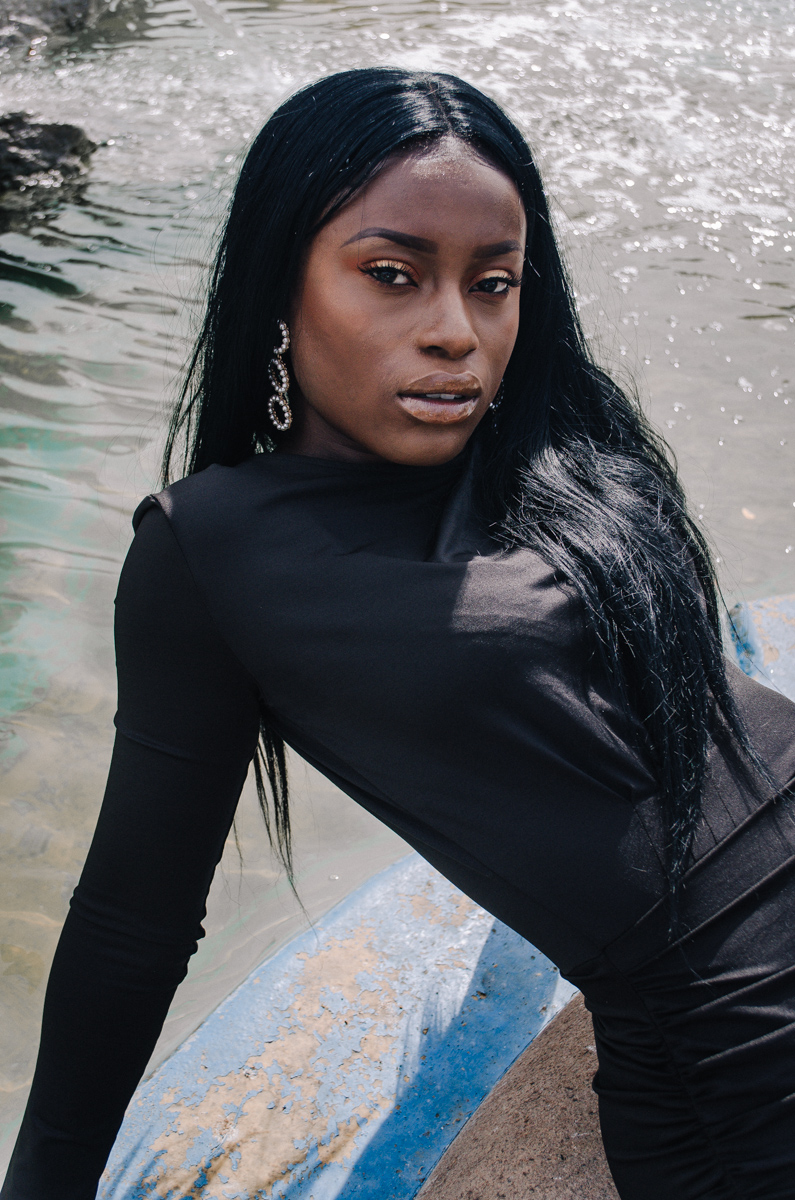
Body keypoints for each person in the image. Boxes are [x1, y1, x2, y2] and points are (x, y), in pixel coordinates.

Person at [3, 67, 795, 1200]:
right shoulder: (212, 548)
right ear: (282, 282)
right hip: (724, 1042)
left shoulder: (551, 455)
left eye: (494, 285)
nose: (455, 335)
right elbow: (133, 921)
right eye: (392, 276)